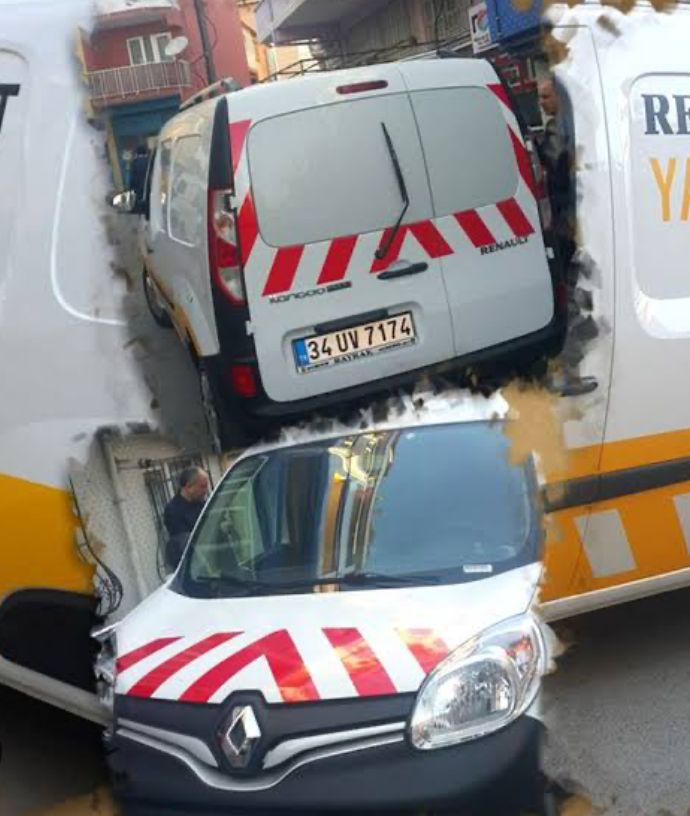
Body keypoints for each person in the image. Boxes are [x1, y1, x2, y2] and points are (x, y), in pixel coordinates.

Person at [163, 467, 210, 571]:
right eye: (202, 486)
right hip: (192, 564)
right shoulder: (173, 510)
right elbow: (184, 542)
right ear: (189, 487)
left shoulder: (203, 504)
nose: (206, 491)